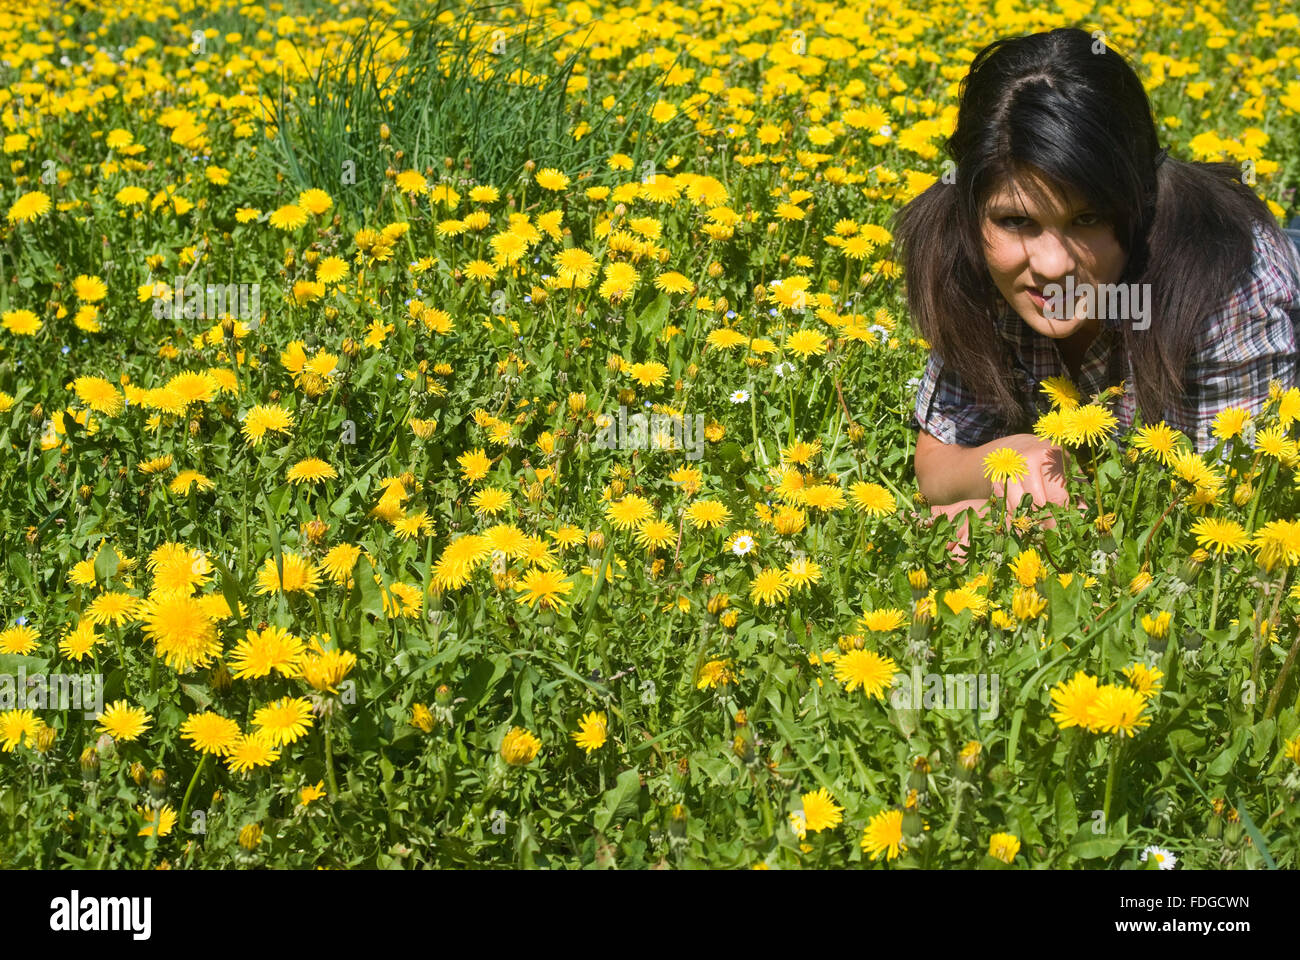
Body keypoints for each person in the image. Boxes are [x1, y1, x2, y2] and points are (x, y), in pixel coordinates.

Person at [893, 27, 1300, 558]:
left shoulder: (1228, 283)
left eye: (1088, 218)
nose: (1053, 266)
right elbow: (936, 461)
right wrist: (1006, 465)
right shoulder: (965, 255)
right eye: (1016, 220)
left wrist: (1029, 520)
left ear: (1139, 203)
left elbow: (1235, 509)